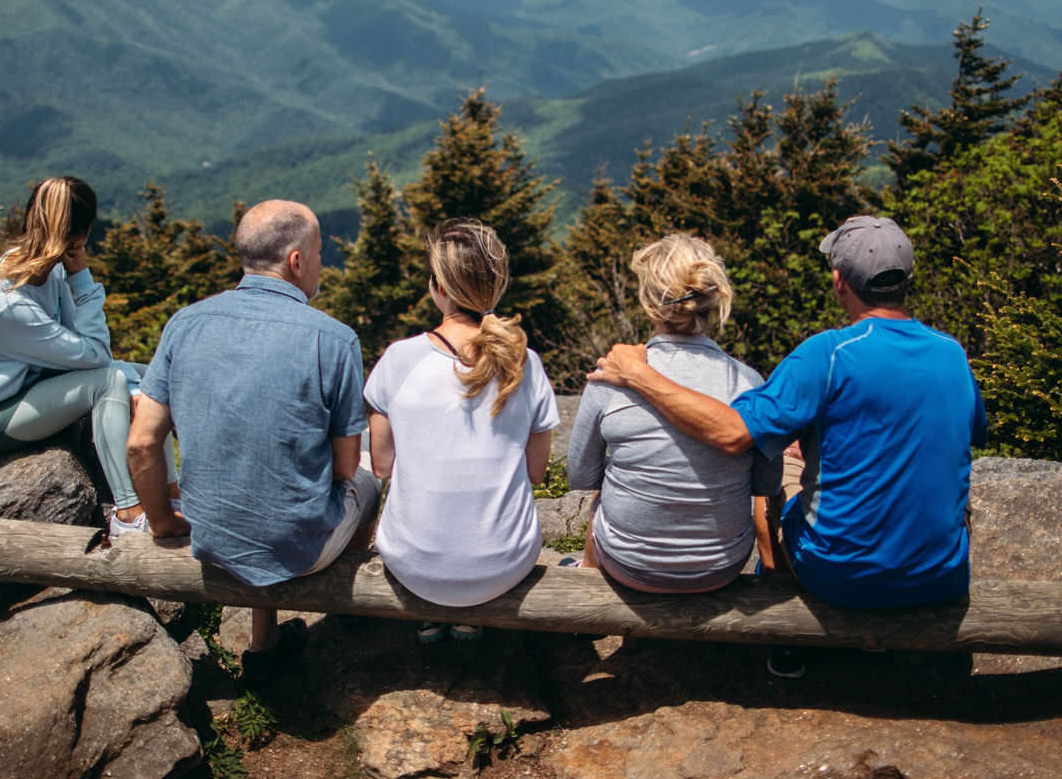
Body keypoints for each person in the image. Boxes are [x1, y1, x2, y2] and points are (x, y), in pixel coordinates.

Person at [590, 216, 987, 677]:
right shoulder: (952, 353)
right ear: (906, 279)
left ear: (840, 282)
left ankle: (786, 637)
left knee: (776, 476)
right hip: (939, 575)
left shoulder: (828, 353)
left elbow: (733, 433)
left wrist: (639, 374)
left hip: (839, 574)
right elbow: (965, 432)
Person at [127, 200, 380, 682]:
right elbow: (347, 469)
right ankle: (348, 612)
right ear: (297, 261)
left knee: (257, 466)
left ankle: (265, 642)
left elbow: (141, 443)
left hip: (210, 534)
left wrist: (161, 520)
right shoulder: (335, 339)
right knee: (369, 483)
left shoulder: (185, 323)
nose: (321, 264)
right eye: (320, 253)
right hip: (300, 549)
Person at [0, 176, 177, 536]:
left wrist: (139, 385)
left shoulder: (41, 270)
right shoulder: (11, 304)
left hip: (30, 388)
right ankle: (128, 514)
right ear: (79, 236)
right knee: (110, 382)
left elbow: (82, 348)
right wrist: (82, 278)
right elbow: (97, 356)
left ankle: (171, 494)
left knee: (150, 376)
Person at [364, 219, 559, 642]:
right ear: (496, 287)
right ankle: (472, 619)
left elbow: (382, 466)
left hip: (414, 565)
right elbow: (536, 472)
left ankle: (431, 615)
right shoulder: (526, 363)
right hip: (505, 564)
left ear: (438, 288)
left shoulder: (399, 360)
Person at [567, 235, 782, 592]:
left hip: (629, 565)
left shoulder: (611, 377)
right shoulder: (749, 382)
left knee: (605, 487)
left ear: (650, 306)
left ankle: (586, 575)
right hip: (721, 566)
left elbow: (581, 474)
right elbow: (766, 483)